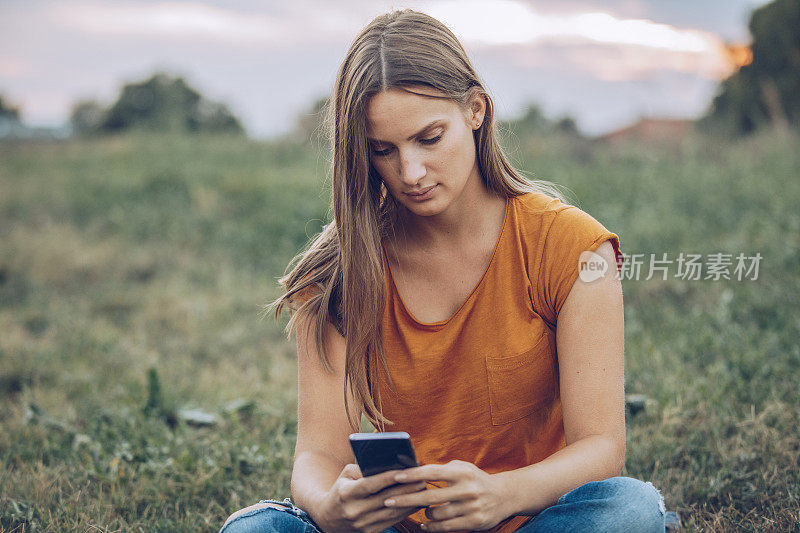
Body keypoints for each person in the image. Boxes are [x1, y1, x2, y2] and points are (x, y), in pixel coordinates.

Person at [220, 8, 665, 533]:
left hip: (529, 520)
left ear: (475, 110)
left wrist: (501, 495)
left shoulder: (572, 248)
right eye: (383, 150)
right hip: (401, 528)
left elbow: (602, 448)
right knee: (256, 530)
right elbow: (317, 455)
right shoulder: (339, 272)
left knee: (630, 511)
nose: (410, 173)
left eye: (429, 138)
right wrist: (329, 504)